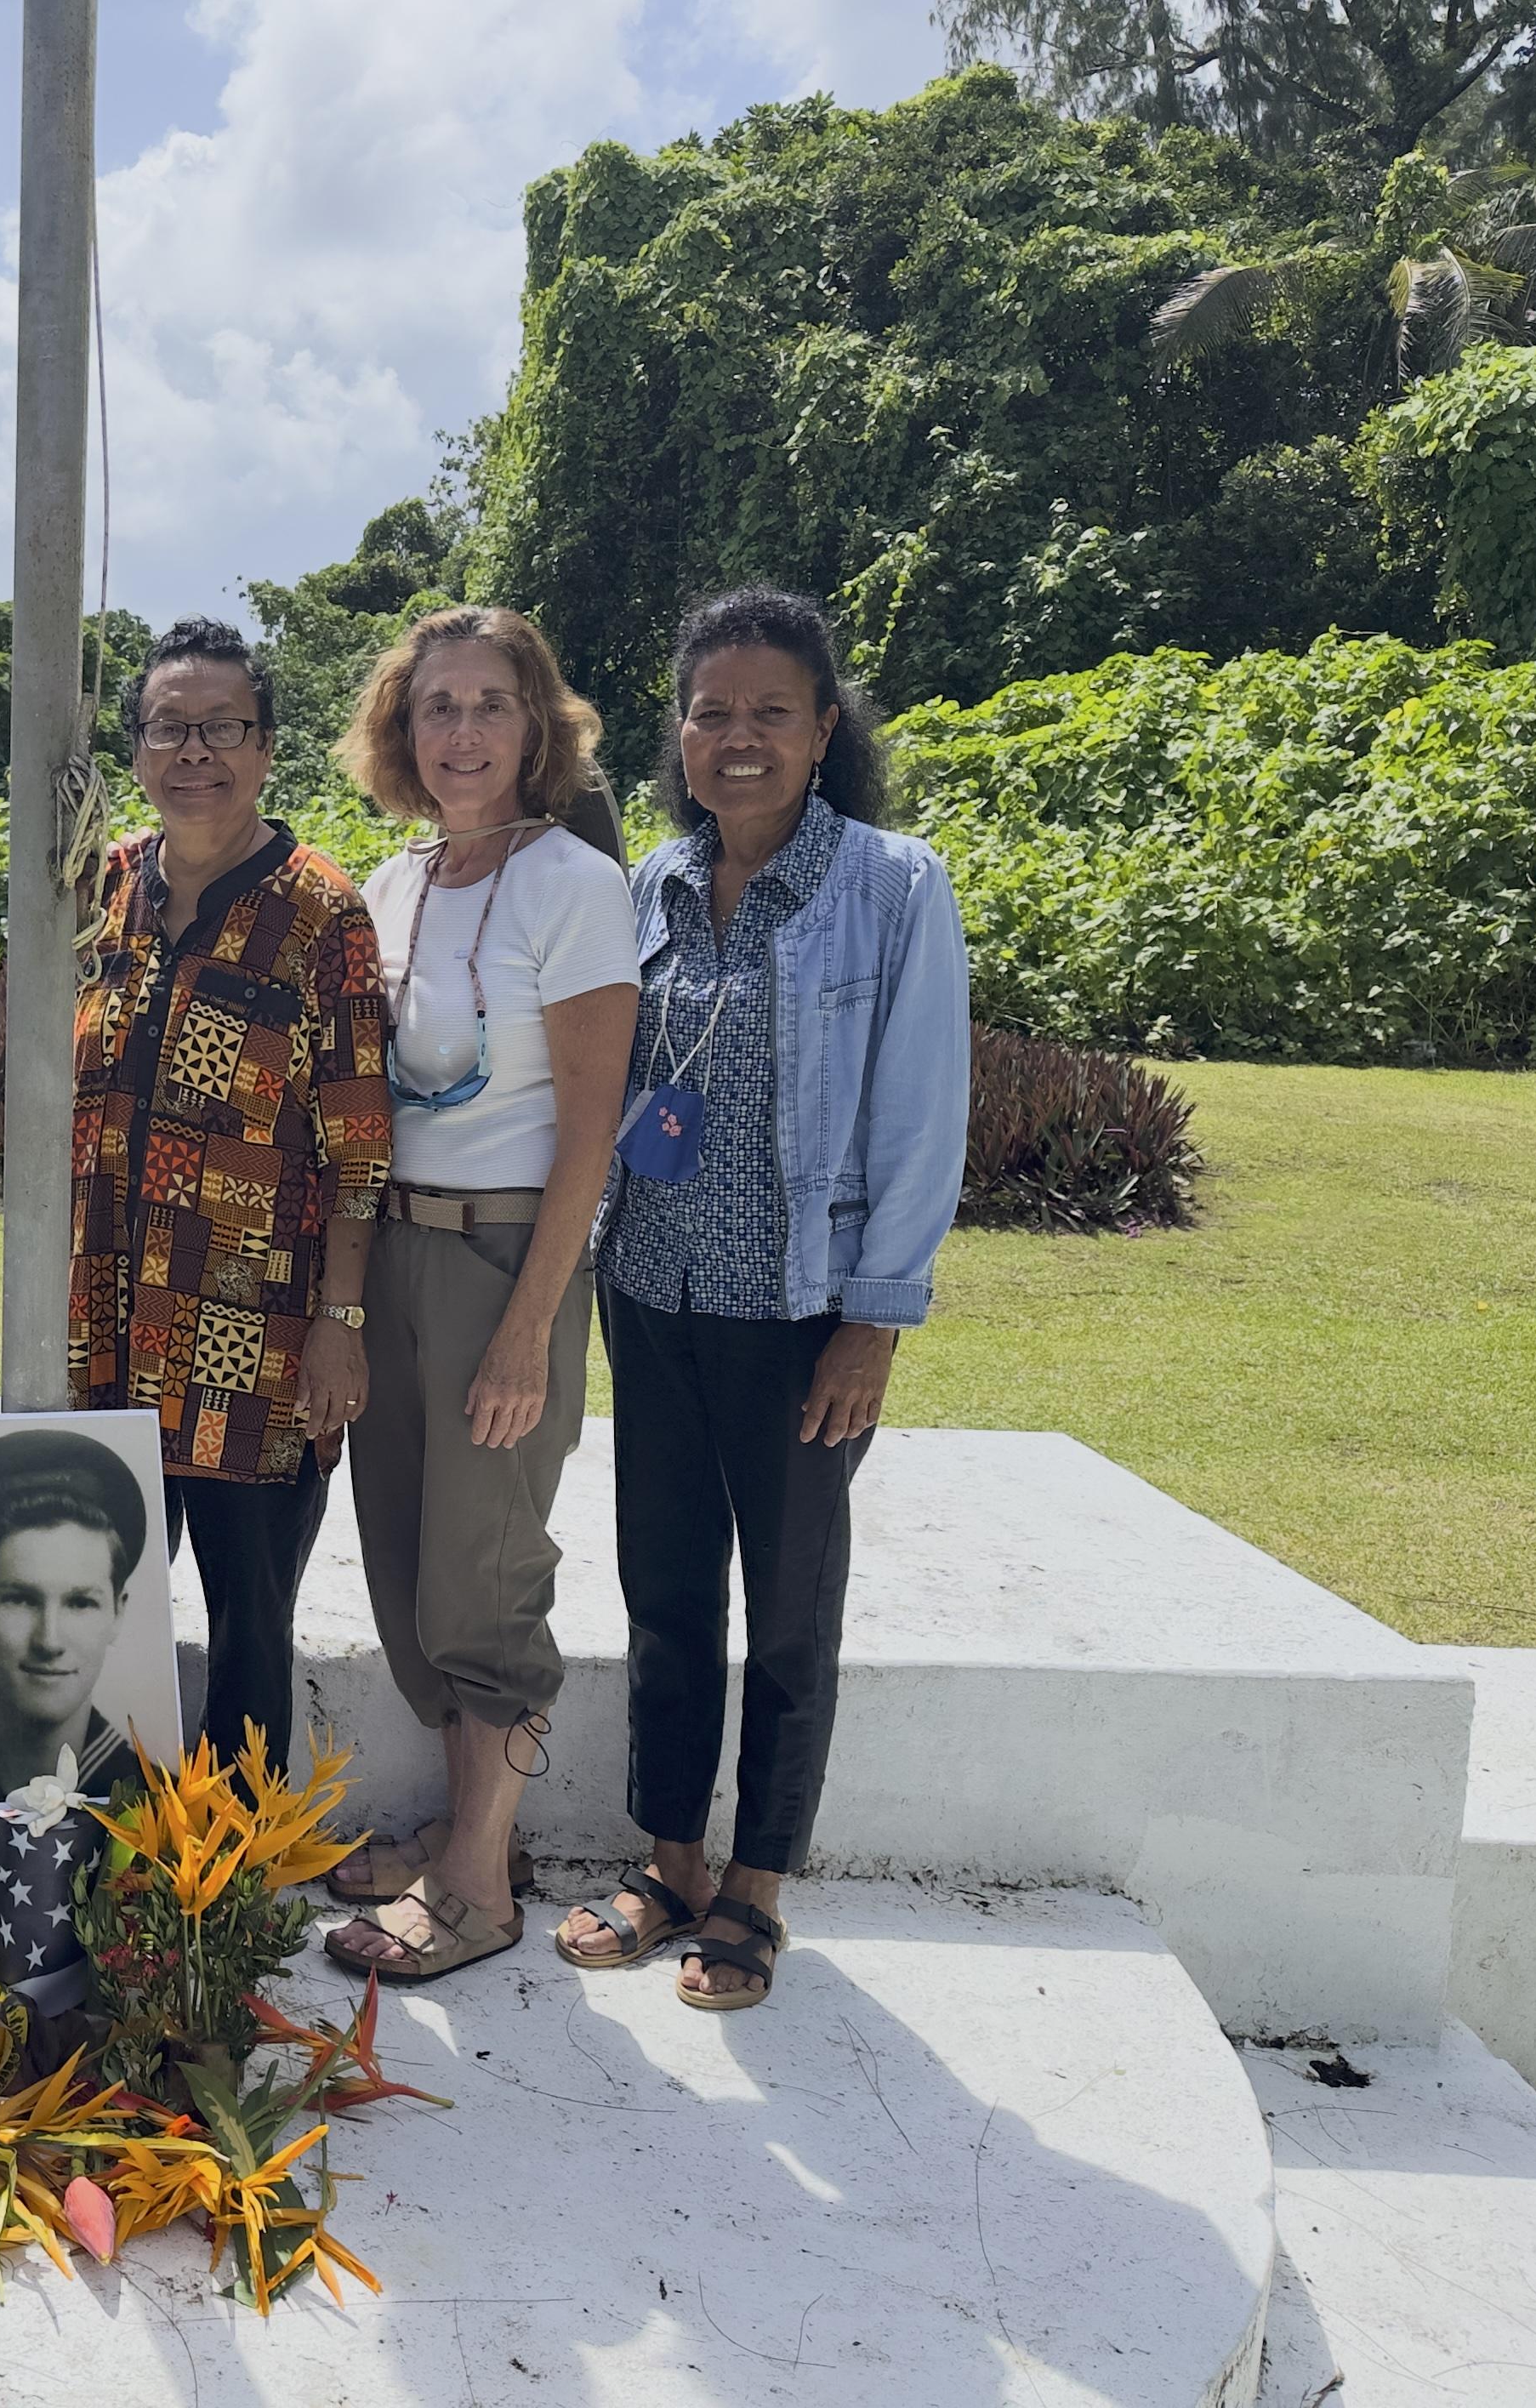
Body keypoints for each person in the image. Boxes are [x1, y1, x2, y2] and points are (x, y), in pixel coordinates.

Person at [555, 586, 970, 2013]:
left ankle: (755, 1886)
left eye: (769, 712)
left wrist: (877, 1312)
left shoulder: (890, 884)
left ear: (822, 727)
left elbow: (920, 1108)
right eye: (712, 711)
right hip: (651, 1288)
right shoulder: (651, 886)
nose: (738, 737)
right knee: (664, 1584)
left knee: (788, 1607)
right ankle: (668, 1855)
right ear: (679, 732)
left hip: (799, 1309)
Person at [317, 608, 640, 1985]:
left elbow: (589, 1133)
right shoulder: (391, 886)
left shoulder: (574, 883)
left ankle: (478, 1888)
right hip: (388, 1254)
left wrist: (525, 1325)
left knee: (484, 1571)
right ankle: (468, 1829)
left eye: (489, 703)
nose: (460, 730)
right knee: (402, 1561)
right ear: (401, 730)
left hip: (506, 1258)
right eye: (435, 704)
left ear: (537, 727)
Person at [71, 615, 390, 1783]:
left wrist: (339, 1330)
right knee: (92, 1615)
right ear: (139, 746)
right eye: (167, 727)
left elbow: (359, 1146)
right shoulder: (101, 889)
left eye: (221, 727)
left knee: (250, 1627)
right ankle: (100, 1868)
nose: (191, 750)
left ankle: (228, 1895)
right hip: (105, 1334)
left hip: (258, 1347)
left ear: (264, 749)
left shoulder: (321, 916)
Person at [0, 1428, 151, 1808]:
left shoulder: (150, 1795)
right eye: (21, 1600)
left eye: (80, 1603)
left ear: (118, 1612)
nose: (49, 1641)